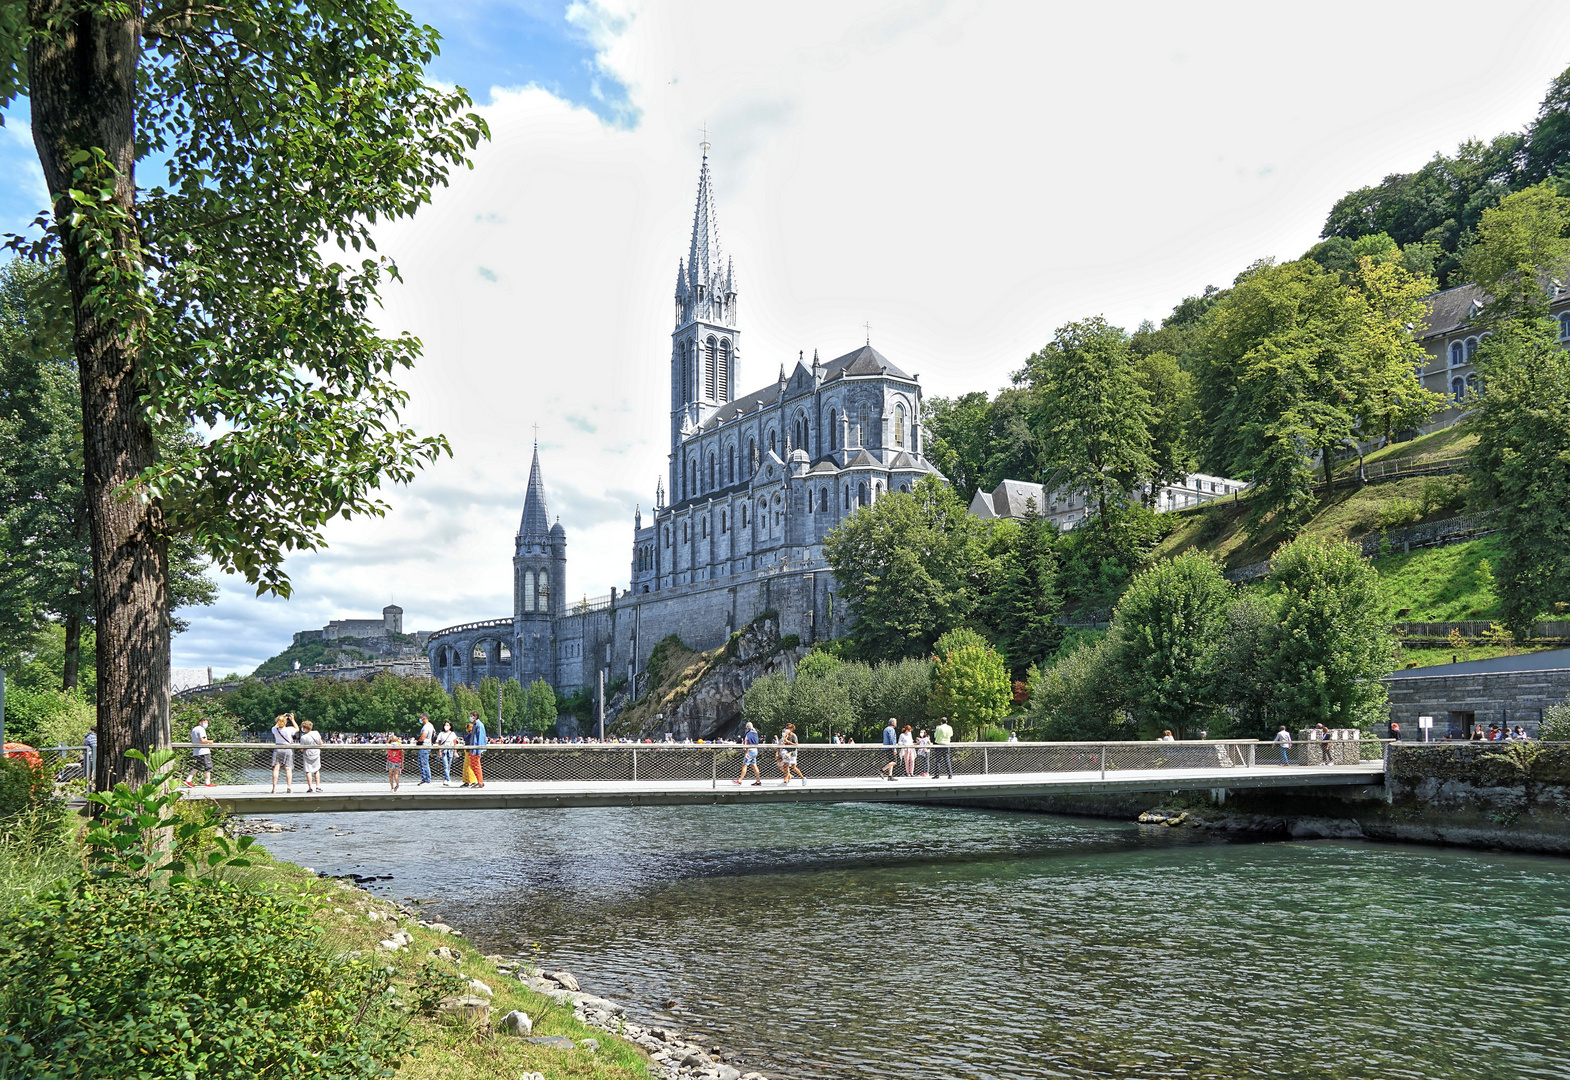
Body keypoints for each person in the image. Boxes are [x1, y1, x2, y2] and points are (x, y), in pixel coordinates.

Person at [269, 713, 298, 793]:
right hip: (287, 748)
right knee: (288, 768)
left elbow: (275, 726)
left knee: (276, 768)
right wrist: (292, 720)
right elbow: (297, 728)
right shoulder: (289, 729)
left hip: (278, 748)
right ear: (285, 722)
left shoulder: (275, 729)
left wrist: (282, 716)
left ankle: (274, 788)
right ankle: (289, 787)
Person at [183, 715, 215, 788]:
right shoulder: (201, 729)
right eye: (205, 722)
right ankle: (208, 782)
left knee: (198, 766)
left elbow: (192, 740)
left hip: (196, 751)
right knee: (208, 766)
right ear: (200, 722)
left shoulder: (194, 729)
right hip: (203, 751)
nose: (206, 724)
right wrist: (210, 742)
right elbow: (202, 740)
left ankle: (188, 780)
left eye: (207, 722)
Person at [734, 721, 762, 786]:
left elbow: (748, 743)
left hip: (750, 751)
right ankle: (758, 781)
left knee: (745, 765)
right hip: (755, 750)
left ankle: (740, 780)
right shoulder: (755, 733)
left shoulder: (748, 734)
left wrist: (746, 753)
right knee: (754, 765)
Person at [299, 720, 323, 792]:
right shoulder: (316, 733)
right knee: (316, 770)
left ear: (305, 728)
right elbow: (320, 743)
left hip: (307, 754)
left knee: (308, 771)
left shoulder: (303, 737)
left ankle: (310, 787)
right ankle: (318, 786)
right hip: (316, 753)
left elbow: (301, 749)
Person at [468, 712, 487, 788]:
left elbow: (480, 738)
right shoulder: (475, 725)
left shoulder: (479, 725)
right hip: (473, 748)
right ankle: (479, 780)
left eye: (471, 716)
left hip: (476, 749)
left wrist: (479, 751)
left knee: (476, 765)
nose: (470, 718)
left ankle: (480, 782)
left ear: (475, 717)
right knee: (473, 765)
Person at [416, 712, 435, 785]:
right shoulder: (431, 725)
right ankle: (426, 778)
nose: (420, 719)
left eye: (421, 718)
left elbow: (423, 736)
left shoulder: (426, 727)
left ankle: (426, 779)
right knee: (423, 762)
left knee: (423, 763)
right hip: (427, 745)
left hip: (424, 746)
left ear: (424, 718)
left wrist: (418, 741)